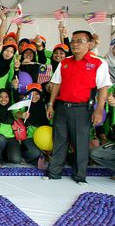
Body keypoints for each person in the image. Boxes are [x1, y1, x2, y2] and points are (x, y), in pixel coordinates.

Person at [45, 30, 111, 184]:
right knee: (59, 140)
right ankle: (54, 172)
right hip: (62, 107)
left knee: (80, 142)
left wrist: (99, 109)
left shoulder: (98, 63)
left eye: (80, 41)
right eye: (73, 41)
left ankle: (80, 176)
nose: (75, 44)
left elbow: (103, 88)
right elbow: (56, 84)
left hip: (82, 109)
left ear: (89, 44)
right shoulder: (65, 62)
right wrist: (50, 104)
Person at [0, 88, 22, 167]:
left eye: (6, 97)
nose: (3, 99)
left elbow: (17, 113)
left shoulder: (11, 109)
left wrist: (23, 115)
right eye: (0, 97)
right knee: (0, 139)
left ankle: (3, 154)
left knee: (16, 159)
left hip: (10, 138)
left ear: (9, 98)